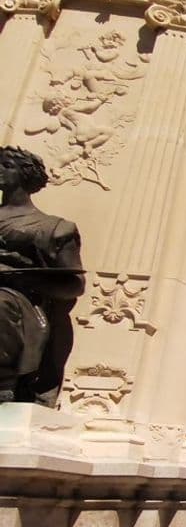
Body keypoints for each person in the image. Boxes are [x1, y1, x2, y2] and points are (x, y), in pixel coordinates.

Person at [0, 146, 85, 405]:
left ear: (26, 175)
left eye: (6, 166)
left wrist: (21, 278)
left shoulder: (53, 227)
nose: (0, 170)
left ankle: (5, 382)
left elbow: (74, 284)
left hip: (18, 300)